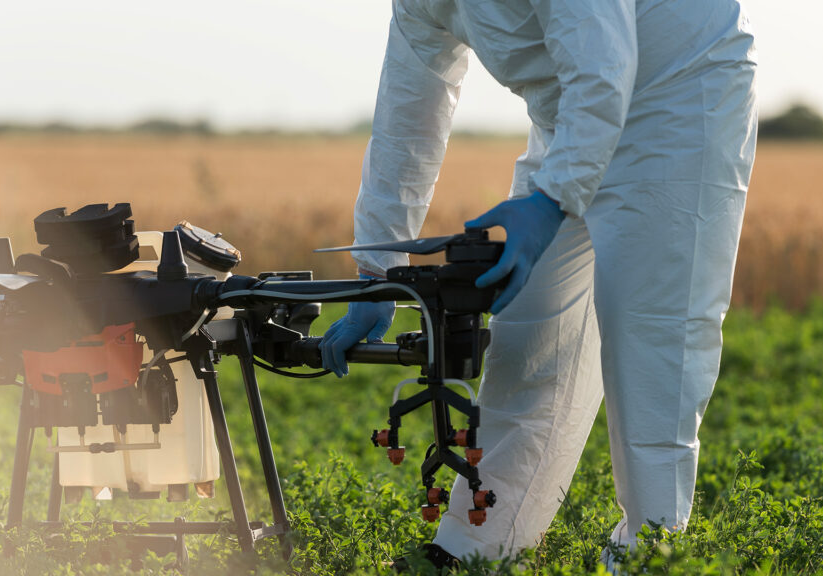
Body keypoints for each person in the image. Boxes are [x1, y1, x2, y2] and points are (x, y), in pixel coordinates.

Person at [320, 0, 758, 568]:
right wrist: (378, 268)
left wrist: (552, 199)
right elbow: (410, 107)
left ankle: (650, 555)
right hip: (570, 116)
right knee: (528, 338)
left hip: (678, 101)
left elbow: (604, 64)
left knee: (652, 343)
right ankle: (473, 548)